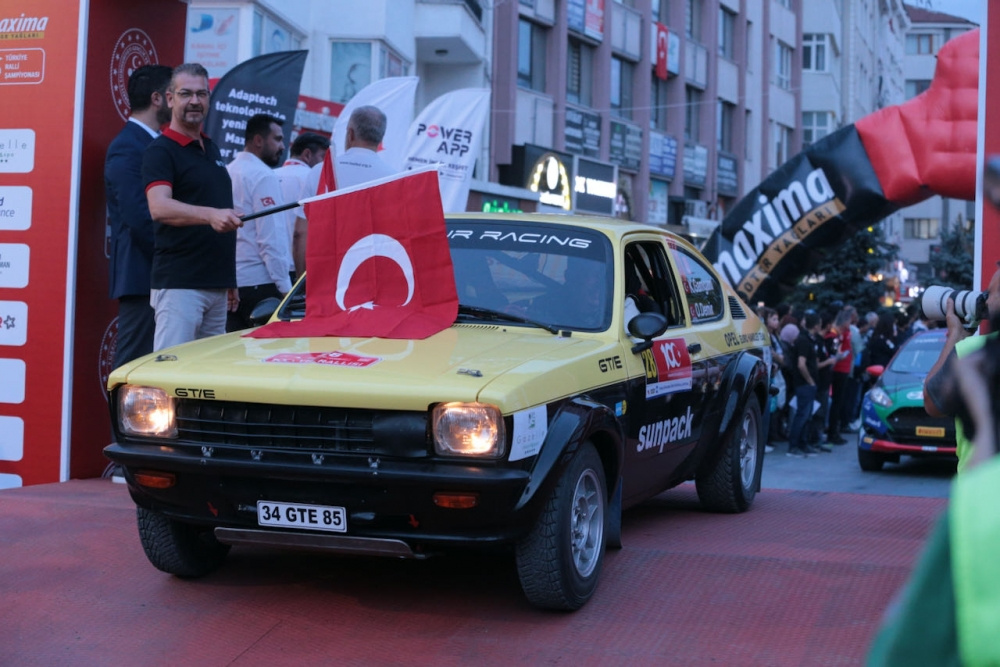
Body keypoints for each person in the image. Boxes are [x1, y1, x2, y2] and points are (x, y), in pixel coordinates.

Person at [142, 63, 242, 351]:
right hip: (180, 286)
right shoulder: (160, 150)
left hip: (217, 285)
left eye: (201, 94)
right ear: (170, 99)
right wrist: (211, 215)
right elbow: (159, 207)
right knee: (170, 371)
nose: (195, 101)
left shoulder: (212, 148)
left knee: (207, 373)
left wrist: (229, 278)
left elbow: (217, 210)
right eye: (186, 94)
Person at [105, 64, 173, 367]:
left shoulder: (153, 143)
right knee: (132, 366)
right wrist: (174, 255)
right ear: (157, 98)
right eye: (174, 94)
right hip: (142, 275)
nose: (180, 102)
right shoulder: (127, 146)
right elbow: (138, 216)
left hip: (162, 275)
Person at [295, 105, 396, 275]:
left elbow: (301, 233)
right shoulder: (394, 179)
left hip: (325, 273)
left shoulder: (320, 172)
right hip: (371, 273)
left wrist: (301, 280)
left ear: (350, 134)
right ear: (381, 138)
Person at [924, 263, 1000, 472]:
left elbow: (932, 402)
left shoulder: (975, 353)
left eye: (990, 294)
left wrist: (955, 337)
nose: (985, 301)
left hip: (982, 484)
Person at [226, 114, 293, 332]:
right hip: (261, 285)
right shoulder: (263, 176)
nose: (282, 146)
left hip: (232, 285)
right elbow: (271, 238)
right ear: (258, 140)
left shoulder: (227, 171)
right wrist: (286, 288)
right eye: (278, 139)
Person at [274, 132, 329, 283]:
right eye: (323, 158)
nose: (325, 164)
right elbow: (302, 232)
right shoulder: (314, 179)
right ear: (307, 154)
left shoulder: (269, 175)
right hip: (296, 268)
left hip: (263, 268)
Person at [786, 311, 823, 458]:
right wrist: (810, 381)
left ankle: (803, 443)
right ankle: (793, 446)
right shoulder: (803, 341)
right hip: (804, 385)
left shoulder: (809, 340)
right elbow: (801, 364)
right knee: (802, 415)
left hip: (808, 385)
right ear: (816, 325)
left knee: (807, 415)